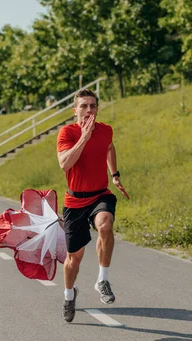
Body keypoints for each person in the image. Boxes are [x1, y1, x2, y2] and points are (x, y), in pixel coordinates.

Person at [56, 88, 128, 323]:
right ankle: (69, 295)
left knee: (105, 226)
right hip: (75, 200)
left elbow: (109, 147)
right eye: (84, 106)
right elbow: (65, 164)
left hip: (100, 194)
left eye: (93, 106)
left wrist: (114, 174)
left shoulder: (106, 130)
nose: (89, 110)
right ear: (74, 110)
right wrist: (84, 138)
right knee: (73, 260)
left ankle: (102, 279)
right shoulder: (67, 132)